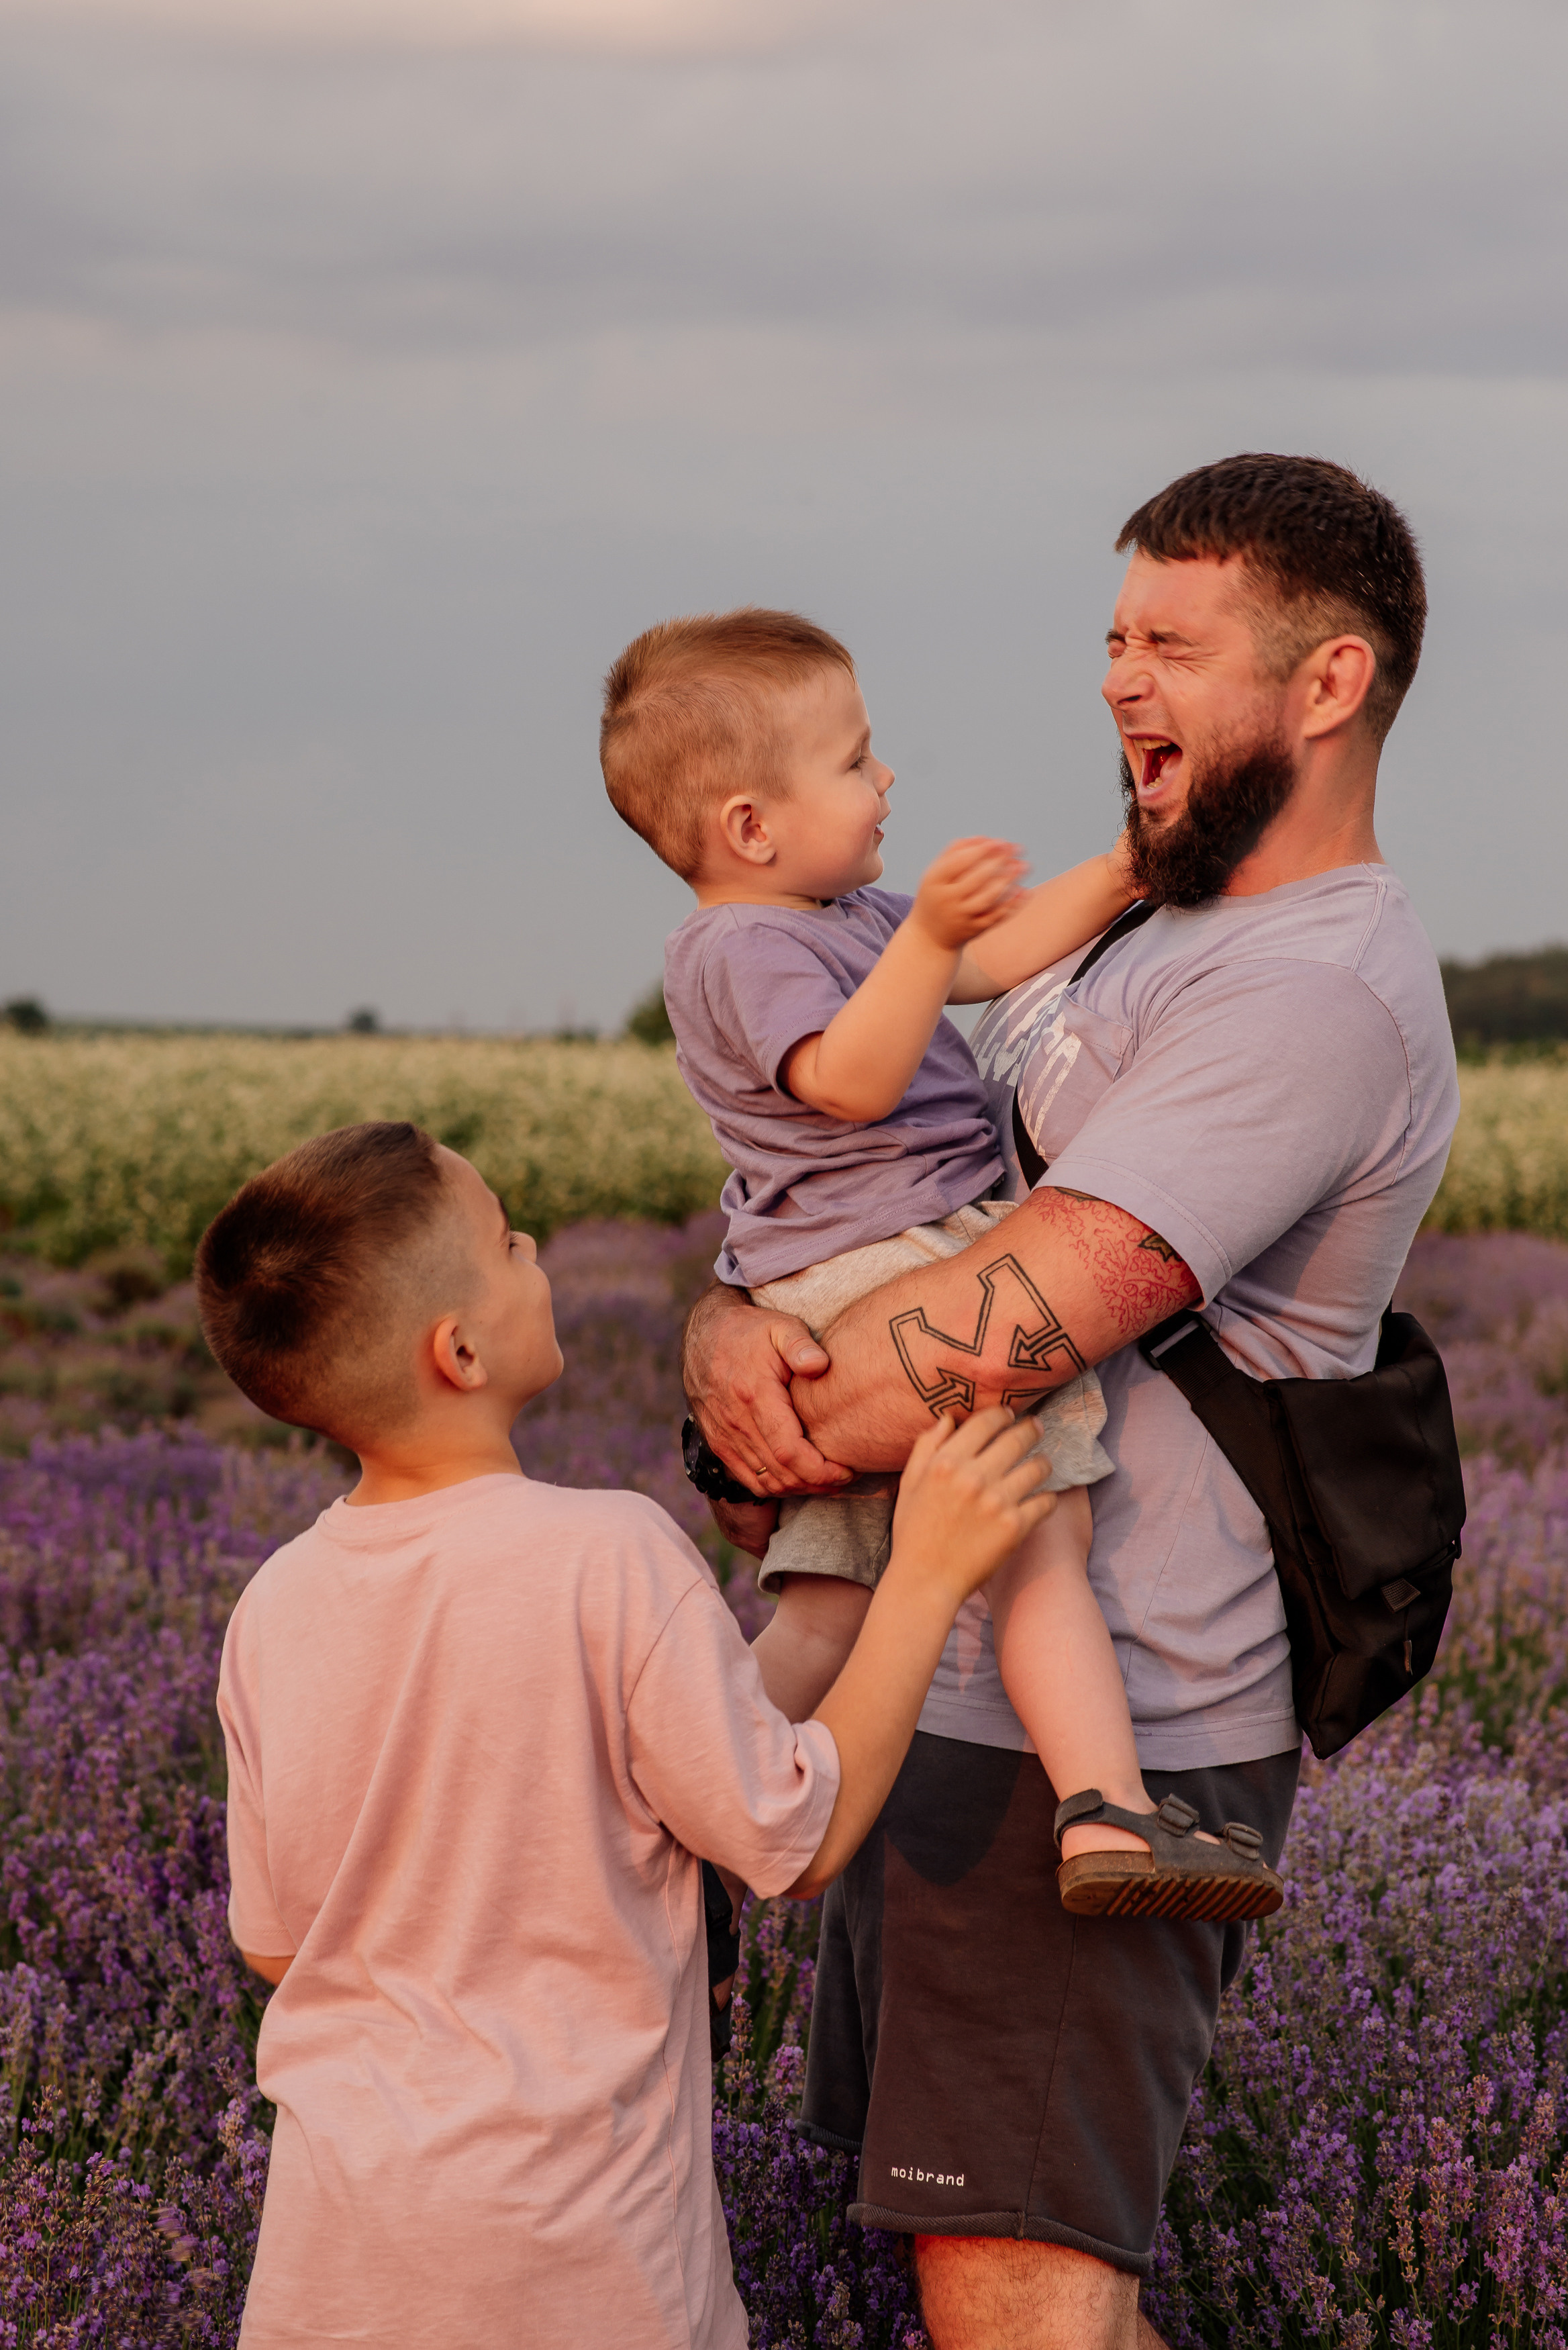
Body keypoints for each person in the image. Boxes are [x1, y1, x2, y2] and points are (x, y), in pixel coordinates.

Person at [679, 453, 1460, 2349]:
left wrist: (741, 1415)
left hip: (1111, 1736)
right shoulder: (1153, 921)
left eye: (1173, 644)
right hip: (947, 1679)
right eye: (1113, 634)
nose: (1118, 678)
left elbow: (1004, 1324)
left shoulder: (1311, 993)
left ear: (1329, 684)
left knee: (1020, 2291)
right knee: (986, 2279)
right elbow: (884, 1195)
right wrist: (722, 1318)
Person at [195, 1118, 1052, 2348]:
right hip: (578, 2263)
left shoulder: (273, 1606)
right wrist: (925, 1572)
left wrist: (833, 1581)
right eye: (504, 1238)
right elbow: (789, 1831)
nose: (536, 1243)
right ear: (461, 1348)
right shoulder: (609, 1553)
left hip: (339, 2265)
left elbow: (278, 1946)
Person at [601, 609, 1283, 1919]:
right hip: (892, 1263)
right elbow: (848, 1081)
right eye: (855, 761)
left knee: (827, 1598)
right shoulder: (740, 950)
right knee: (1038, 1524)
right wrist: (920, 943)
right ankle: (1107, 1813)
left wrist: (1129, 865)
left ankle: (654, 1819)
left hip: (842, 1279)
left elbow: (992, 953)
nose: (886, 779)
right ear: (750, 826)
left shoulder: (838, 914)